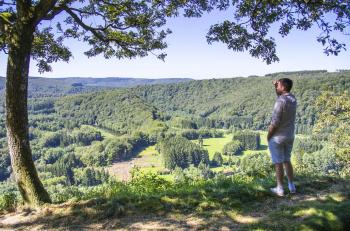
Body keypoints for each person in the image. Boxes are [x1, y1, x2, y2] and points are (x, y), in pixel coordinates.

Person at [267, 78, 297, 196]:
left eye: (278, 85)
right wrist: (275, 87)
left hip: (278, 137)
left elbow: (275, 122)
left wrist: (269, 136)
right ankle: (291, 186)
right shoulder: (293, 99)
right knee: (287, 160)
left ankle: (280, 189)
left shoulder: (280, 101)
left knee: (278, 162)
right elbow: (280, 96)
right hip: (289, 135)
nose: (277, 86)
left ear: (283, 87)